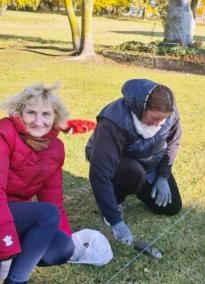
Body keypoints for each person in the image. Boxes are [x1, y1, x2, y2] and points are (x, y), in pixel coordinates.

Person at [85, 79, 182, 245]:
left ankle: (138, 185)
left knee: (171, 207)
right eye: (155, 118)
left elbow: (174, 141)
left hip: (149, 163)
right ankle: (115, 201)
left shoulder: (170, 113)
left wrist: (163, 177)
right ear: (141, 108)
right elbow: (100, 174)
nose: (159, 123)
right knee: (133, 172)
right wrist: (116, 222)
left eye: (163, 119)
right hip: (121, 164)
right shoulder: (113, 121)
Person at [0, 82, 74, 284]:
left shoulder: (55, 148)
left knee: (61, 247)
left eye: (46, 114)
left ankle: (13, 260)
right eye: (31, 113)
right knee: (46, 214)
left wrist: (67, 236)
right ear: (19, 113)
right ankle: (15, 280)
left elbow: (54, 200)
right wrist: (6, 250)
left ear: (55, 117)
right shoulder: (4, 134)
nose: (38, 121)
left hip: (12, 214)